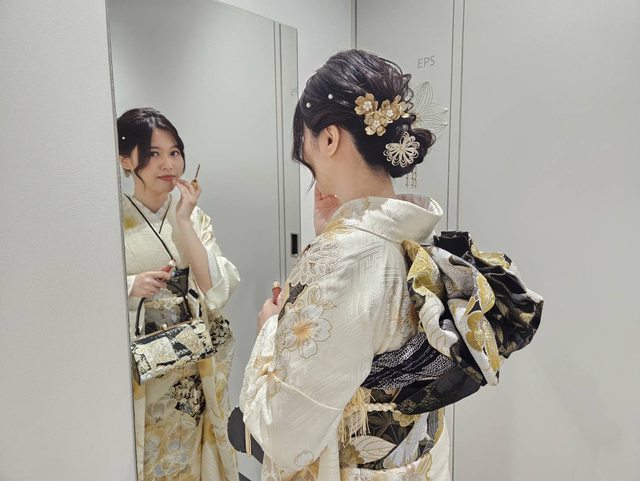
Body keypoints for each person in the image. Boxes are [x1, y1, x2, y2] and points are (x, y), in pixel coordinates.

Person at [239, 50, 542, 481]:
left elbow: (288, 436)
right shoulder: (415, 231)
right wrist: (331, 230)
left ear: (329, 139)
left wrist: (270, 328)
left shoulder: (342, 258)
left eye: (305, 139)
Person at [118, 107, 240, 481]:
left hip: (192, 360)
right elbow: (84, 288)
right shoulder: (112, 217)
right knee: (147, 451)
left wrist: (184, 219)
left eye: (174, 152)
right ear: (125, 160)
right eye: (153, 153)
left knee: (191, 448)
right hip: (141, 362)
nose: (168, 164)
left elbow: (215, 288)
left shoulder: (193, 215)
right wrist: (130, 285)